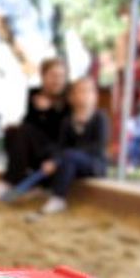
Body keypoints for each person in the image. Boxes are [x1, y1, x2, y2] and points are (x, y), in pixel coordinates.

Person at [0, 57, 68, 199]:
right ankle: (19, 179)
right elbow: (29, 122)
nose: (57, 80)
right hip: (37, 147)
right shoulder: (34, 94)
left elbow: (62, 134)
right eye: (53, 76)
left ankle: (10, 181)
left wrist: (49, 111)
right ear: (43, 76)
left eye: (61, 76)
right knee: (12, 132)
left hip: (55, 151)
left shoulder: (68, 99)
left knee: (23, 131)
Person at [34, 77, 109, 215]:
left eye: (88, 91)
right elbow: (61, 146)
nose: (84, 95)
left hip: (94, 164)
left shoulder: (100, 117)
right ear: (72, 97)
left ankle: (58, 198)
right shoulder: (68, 121)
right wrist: (53, 160)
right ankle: (46, 188)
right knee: (53, 155)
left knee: (68, 156)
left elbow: (98, 146)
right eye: (80, 91)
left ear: (95, 96)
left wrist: (66, 155)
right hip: (71, 163)